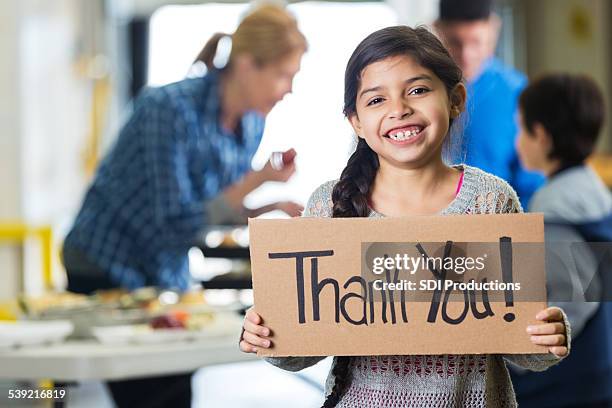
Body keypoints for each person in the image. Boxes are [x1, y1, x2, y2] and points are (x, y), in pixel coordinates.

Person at [239, 25, 570, 408]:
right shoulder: (328, 207)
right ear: (356, 122)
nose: (399, 109)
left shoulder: (491, 201)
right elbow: (299, 348)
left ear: (455, 99)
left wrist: (548, 336)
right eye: (376, 100)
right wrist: (268, 335)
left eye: (417, 90)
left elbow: (523, 343)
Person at [62, 4, 307, 408]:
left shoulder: (250, 124)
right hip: (105, 260)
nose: (289, 89)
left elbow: (211, 210)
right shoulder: (168, 109)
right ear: (247, 65)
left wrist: (271, 205)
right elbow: (175, 221)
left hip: (163, 270)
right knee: (154, 393)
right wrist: (257, 180)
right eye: (284, 75)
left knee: (176, 388)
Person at [512, 73, 612, 408]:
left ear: (540, 135)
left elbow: (576, 300)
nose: (518, 141)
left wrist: (520, 363)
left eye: (521, 129)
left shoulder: (555, 207)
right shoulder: (593, 190)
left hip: (571, 383)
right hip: (598, 368)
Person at [434, 0, 545, 209]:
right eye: (455, 42)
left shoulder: (516, 92)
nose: (466, 55)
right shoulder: (421, 90)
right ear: (438, 30)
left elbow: (533, 183)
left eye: (476, 42)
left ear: (494, 28)